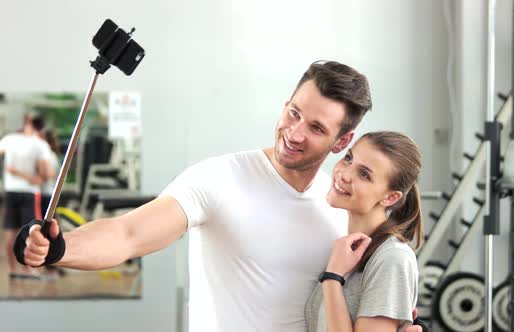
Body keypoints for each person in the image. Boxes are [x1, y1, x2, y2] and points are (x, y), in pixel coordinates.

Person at [16, 61, 423, 331]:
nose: (295, 133)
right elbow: (129, 235)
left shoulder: (342, 206)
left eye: (317, 128)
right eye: (294, 113)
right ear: (286, 105)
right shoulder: (220, 178)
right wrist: (59, 248)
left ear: (342, 141)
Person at [305, 131, 422, 331]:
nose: (344, 174)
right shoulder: (345, 249)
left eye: (364, 174)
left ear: (390, 198)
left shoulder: (392, 258)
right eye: (349, 158)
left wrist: (333, 278)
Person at [0, 113, 50, 278]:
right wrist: (25, 175)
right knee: (31, 231)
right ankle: (27, 270)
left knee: (10, 232)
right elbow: (45, 175)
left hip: (10, 191)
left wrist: (14, 172)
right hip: (29, 193)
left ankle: (13, 269)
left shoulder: (9, 139)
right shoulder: (40, 144)